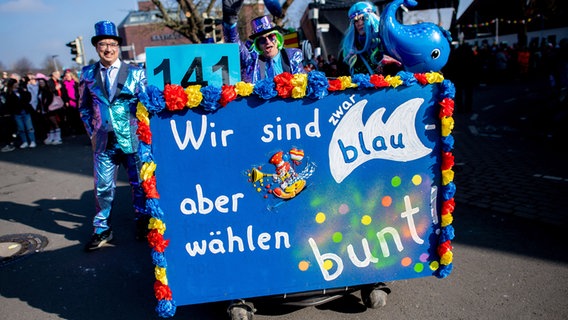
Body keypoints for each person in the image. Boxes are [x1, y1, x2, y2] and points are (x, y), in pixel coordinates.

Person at [79, 20, 150, 251]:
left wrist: (144, 133)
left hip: (131, 138)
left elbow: (146, 106)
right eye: (102, 44)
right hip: (102, 142)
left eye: (111, 44)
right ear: (96, 47)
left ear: (118, 46)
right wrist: (92, 133)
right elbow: (84, 107)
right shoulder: (87, 74)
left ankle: (142, 221)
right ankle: (101, 229)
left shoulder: (136, 73)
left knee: (138, 184)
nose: (108, 49)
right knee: (102, 187)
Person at [222, 0, 305, 83]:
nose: (268, 41)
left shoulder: (292, 57)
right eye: (262, 40)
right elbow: (234, 45)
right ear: (257, 44)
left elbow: (302, 85)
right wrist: (230, 22)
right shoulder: (251, 61)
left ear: (277, 38)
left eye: (271, 36)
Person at [337, 1, 401, 76]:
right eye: (356, 20)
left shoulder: (385, 43)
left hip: (385, 86)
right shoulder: (348, 50)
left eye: (363, 18)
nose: (359, 23)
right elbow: (342, 76)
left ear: (371, 19)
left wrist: (391, 64)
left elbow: (400, 69)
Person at [4, 78, 37, 148]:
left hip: (25, 110)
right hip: (17, 112)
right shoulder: (9, 93)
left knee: (29, 127)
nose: (16, 85)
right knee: (21, 128)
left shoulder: (21, 90)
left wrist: (24, 92)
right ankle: (24, 141)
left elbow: (28, 97)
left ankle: (32, 140)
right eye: (15, 83)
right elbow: (9, 103)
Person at [36, 73, 63, 145]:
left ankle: (58, 137)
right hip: (43, 109)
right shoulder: (40, 91)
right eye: (40, 82)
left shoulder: (47, 90)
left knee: (54, 122)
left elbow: (49, 99)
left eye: (42, 82)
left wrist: (47, 107)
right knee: (49, 123)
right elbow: (39, 100)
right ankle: (51, 137)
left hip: (50, 109)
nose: (41, 83)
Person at [60, 69, 83, 135]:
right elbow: (64, 94)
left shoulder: (76, 83)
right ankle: (74, 130)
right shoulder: (64, 84)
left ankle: (80, 129)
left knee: (78, 116)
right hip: (69, 102)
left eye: (68, 75)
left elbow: (79, 92)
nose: (67, 77)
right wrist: (66, 101)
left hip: (77, 101)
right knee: (71, 117)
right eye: (66, 76)